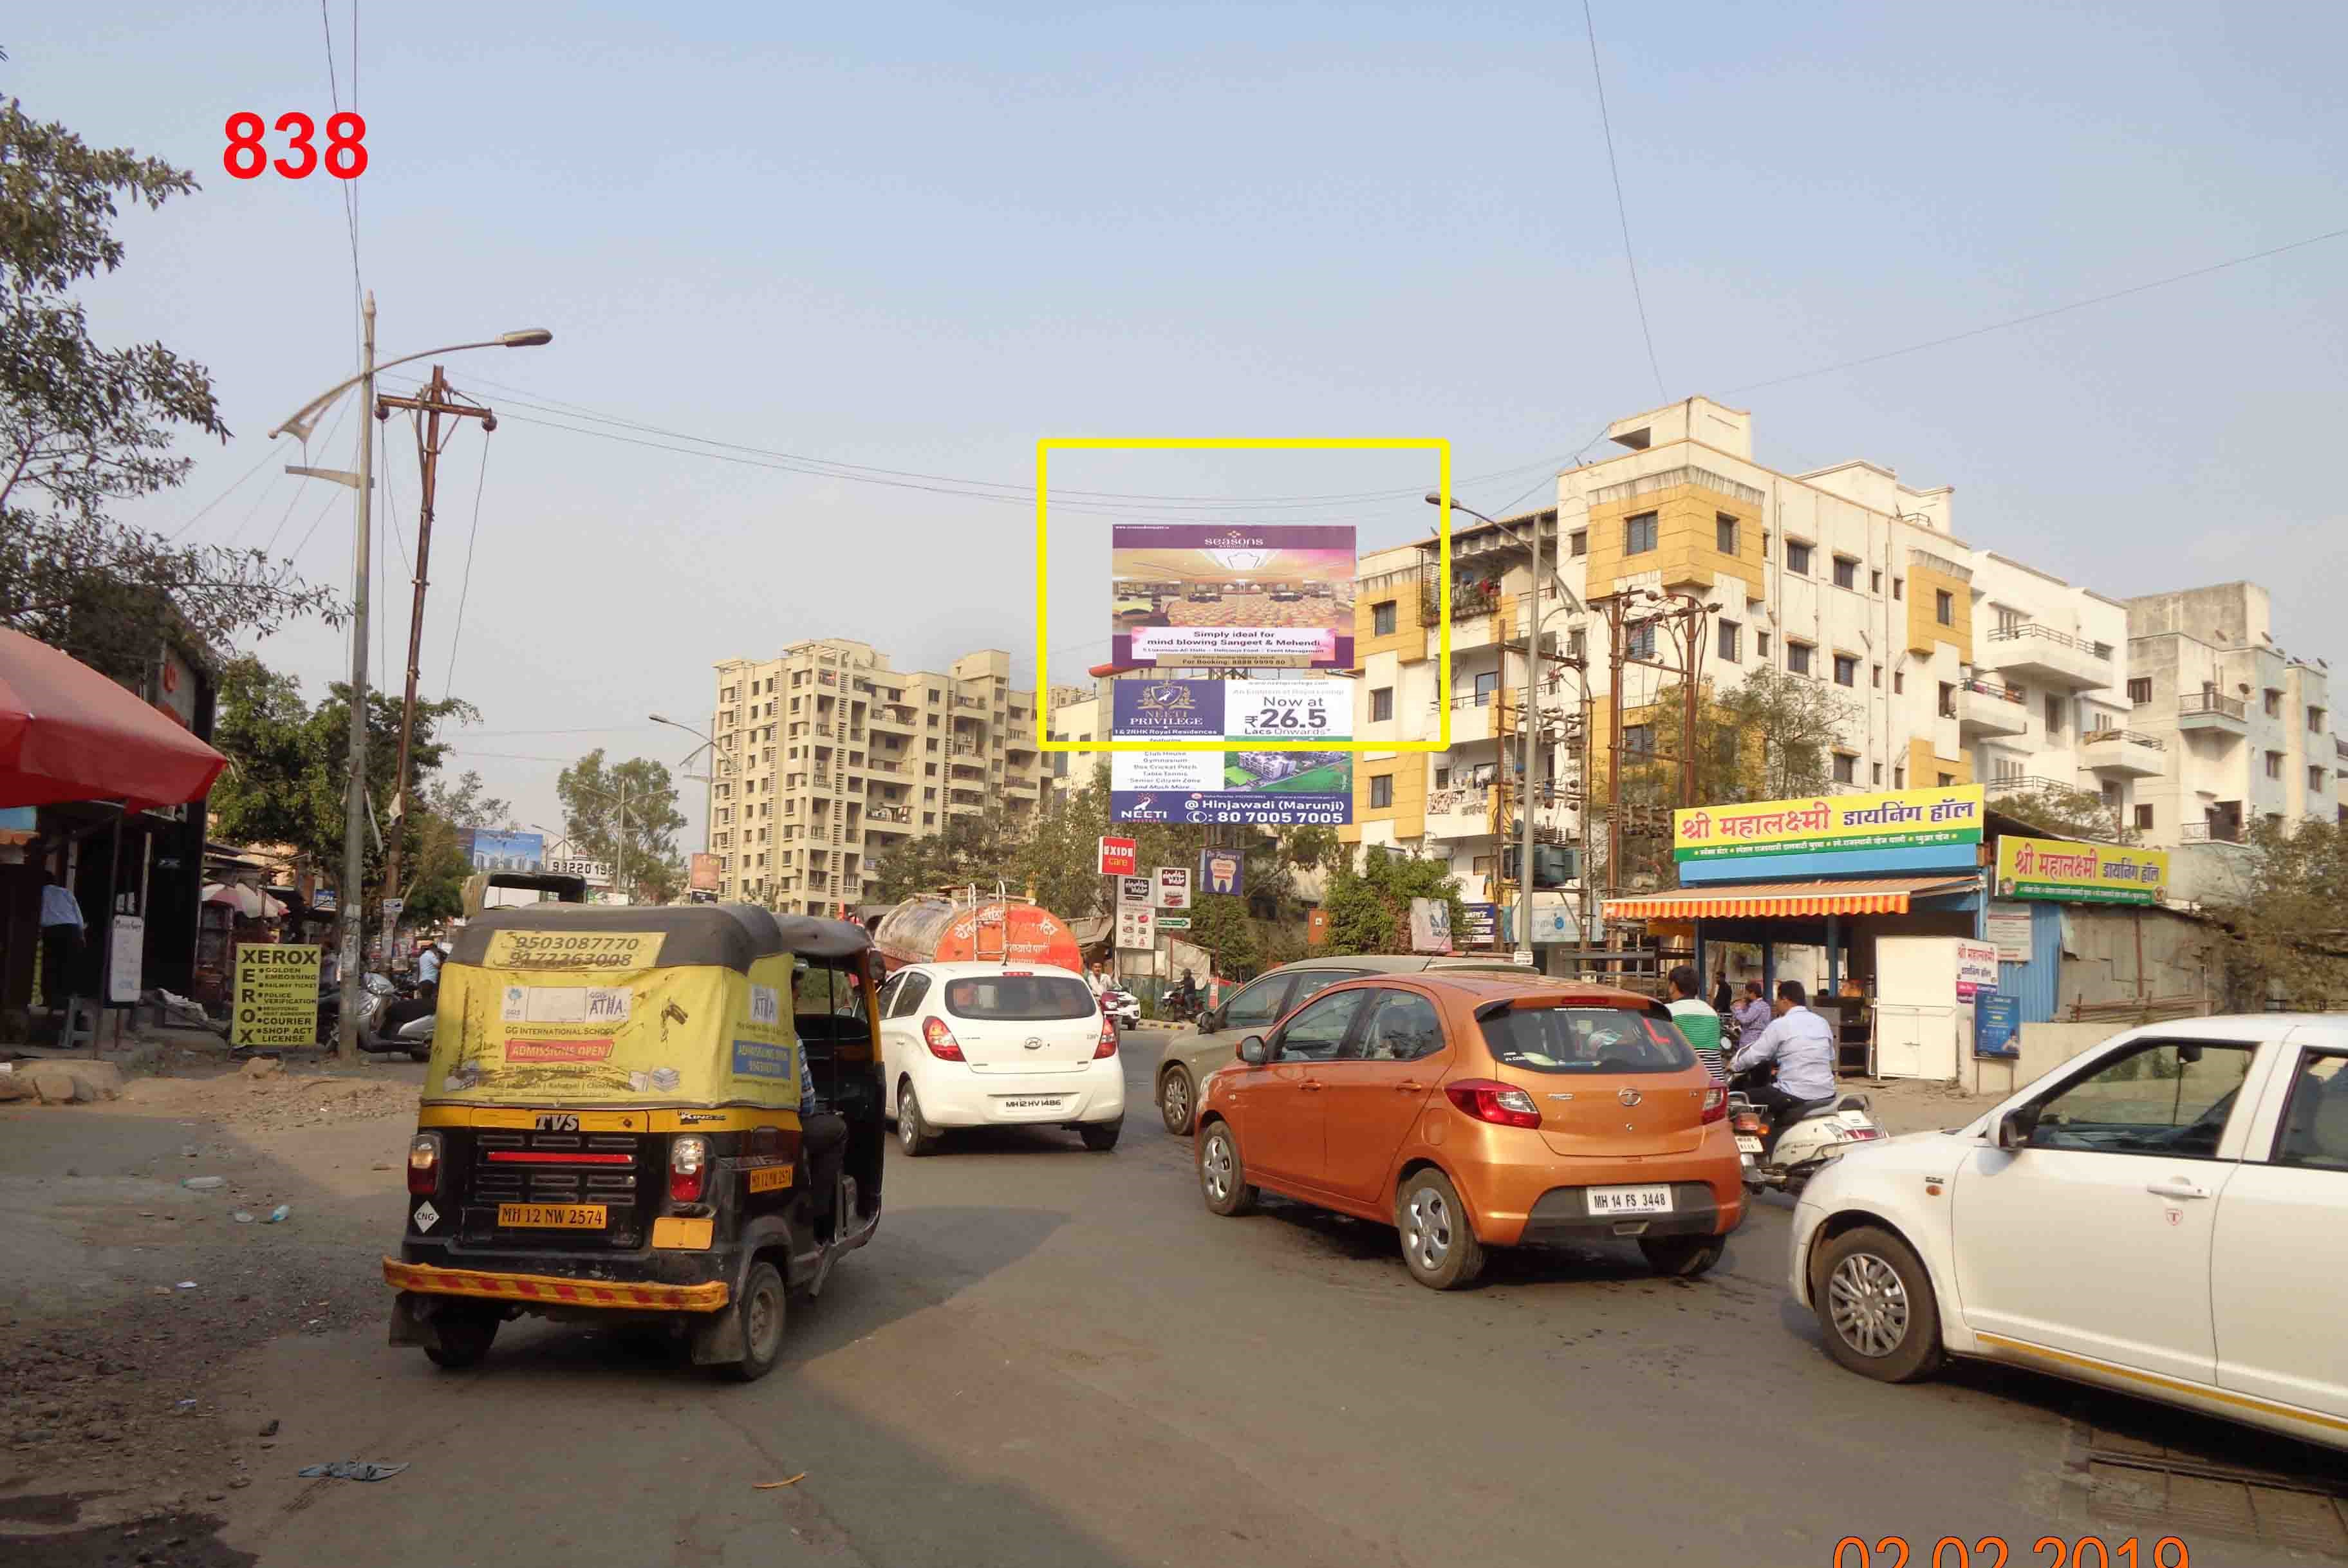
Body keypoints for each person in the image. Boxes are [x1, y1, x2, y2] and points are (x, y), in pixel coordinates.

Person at [1728, 980, 1840, 1159]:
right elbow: (1830, 1056)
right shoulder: (1822, 1022)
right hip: (1827, 1092)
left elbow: (1755, 1055)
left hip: (1796, 1093)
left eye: (1777, 1000)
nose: (1775, 1004)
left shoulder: (1780, 1024)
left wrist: (1733, 1065)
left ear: (1785, 1000)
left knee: (1741, 1099)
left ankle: (1756, 1155)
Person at [1664, 964, 1726, 1083]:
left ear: (1673, 986)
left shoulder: (1668, 1012)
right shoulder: (1710, 1011)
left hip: (1685, 1083)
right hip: (1714, 1083)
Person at [1732, 979, 1772, 1051]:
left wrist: (1738, 1008)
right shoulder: (1760, 1005)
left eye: (1747, 993)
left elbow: (1745, 1020)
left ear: (1753, 993)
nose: (1745, 995)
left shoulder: (1758, 1006)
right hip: (1754, 1040)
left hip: (1751, 1042)